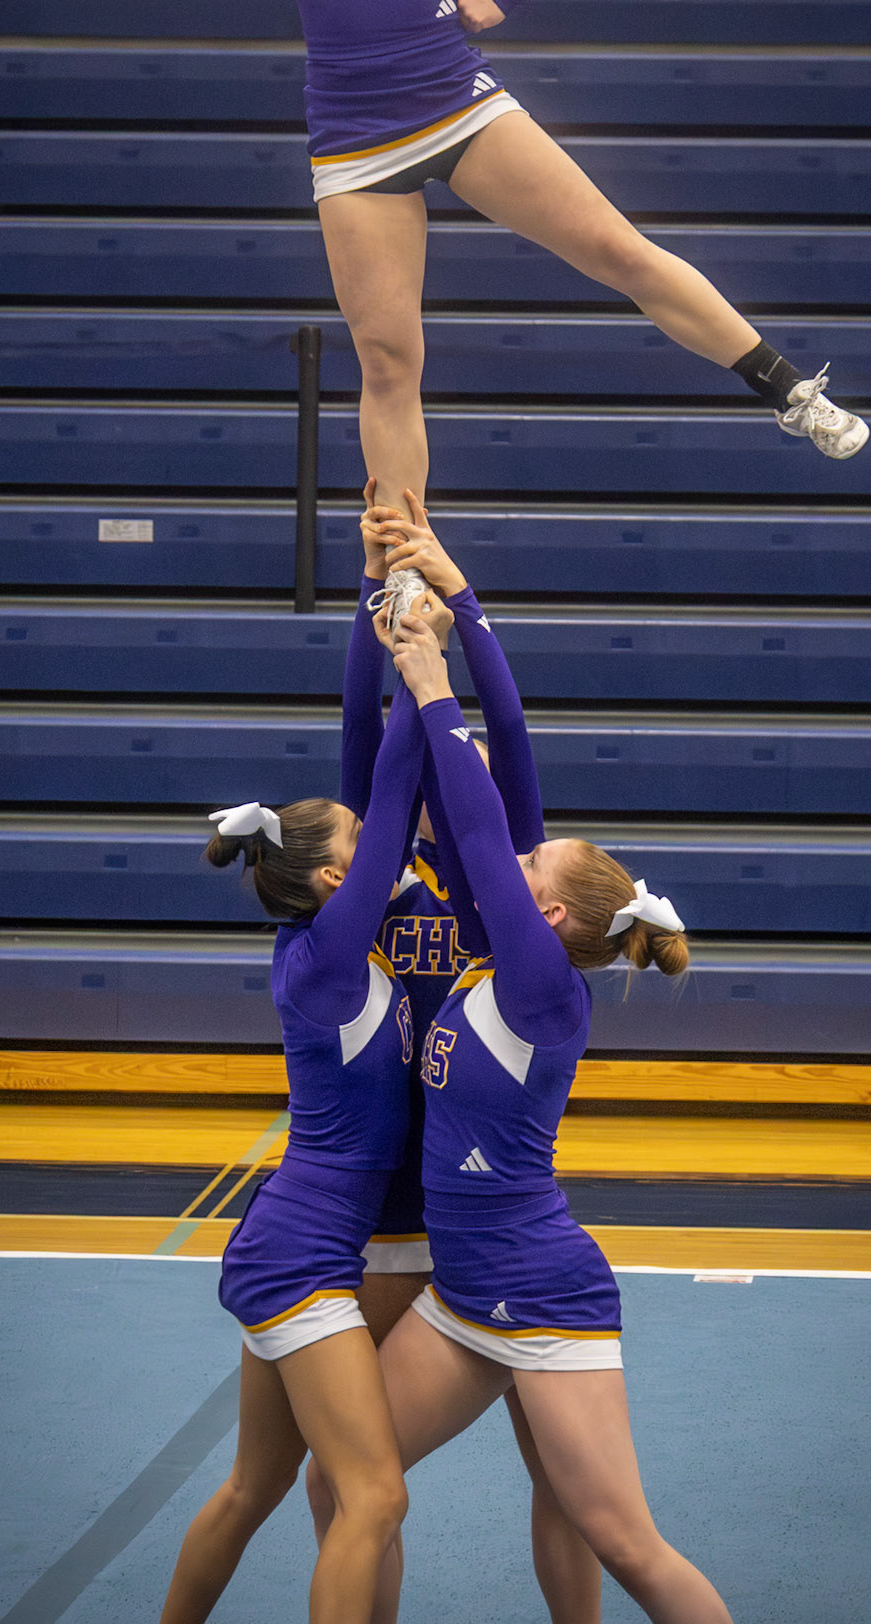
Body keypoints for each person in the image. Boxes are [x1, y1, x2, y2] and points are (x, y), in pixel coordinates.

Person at [31, 0, 871, 603]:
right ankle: (399, 571)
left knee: (619, 251)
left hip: (455, 105)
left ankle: (787, 389)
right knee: (389, 361)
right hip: (351, 140)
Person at [361, 594, 735, 1624]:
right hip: (465, 1299)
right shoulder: (506, 951)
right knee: (352, 1485)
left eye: (531, 867)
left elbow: (485, 825)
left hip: (542, 1290)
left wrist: (432, 675)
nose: (513, 860)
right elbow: (504, 770)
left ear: (552, 913)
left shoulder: (537, 982)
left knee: (617, 1533)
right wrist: (461, 602)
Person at [313, 484, 604, 1623]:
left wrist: (464, 602)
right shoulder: (371, 855)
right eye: (447, 752)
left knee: (562, 1479)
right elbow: (357, 722)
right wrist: (380, 596)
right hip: (389, 1189)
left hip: (483, 1189)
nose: (467, 762)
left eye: (474, 758)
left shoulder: (508, 881)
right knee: (359, 1481)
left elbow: (513, 731)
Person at [159, 680, 426, 1624]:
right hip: (304, 1257)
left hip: (296, 1244)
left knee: (250, 1489)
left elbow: (370, 769)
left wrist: (374, 599)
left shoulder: (325, 943)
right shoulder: (327, 956)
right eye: (359, 849)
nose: (380, 852)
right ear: (329, 881)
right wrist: (420, 662)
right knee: (376, 1494)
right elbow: (388, 795)